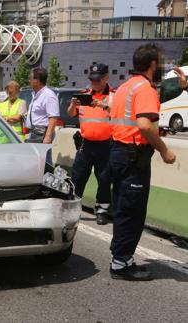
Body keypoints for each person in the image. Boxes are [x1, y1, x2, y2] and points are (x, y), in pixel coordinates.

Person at [108, 44, 180, 281]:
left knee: (121, 208)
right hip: (133, 157)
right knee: (132, 211)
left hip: (118, 153)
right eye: (160, 62)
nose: (161, 67)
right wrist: (163, 149)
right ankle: (121, 263)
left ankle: (119, 257)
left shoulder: (125, 87)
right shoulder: (145, 88)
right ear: (151, 64)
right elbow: (144, 125)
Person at [67, 63, 114, 225]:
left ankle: (102, 210)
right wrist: (73, 105)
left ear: (106, 77)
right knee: (78, 177)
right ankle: (73, 208)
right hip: (85, 144)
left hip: (106, 145)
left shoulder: (114, 95)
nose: (95, 82)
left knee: (104, 179)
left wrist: (104, 106)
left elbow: (120, 116)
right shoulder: (84, 94)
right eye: (92, 79)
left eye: (98, 79)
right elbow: (71, 114)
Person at [25, 68, 60, 144]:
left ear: (37, 80)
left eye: (30, 78)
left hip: (42, 133)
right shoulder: (36, 94)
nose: (29, 81)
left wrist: (48, 137)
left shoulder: (49, 95)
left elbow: (53, 117)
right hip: (34, 133)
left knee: (42, 155)